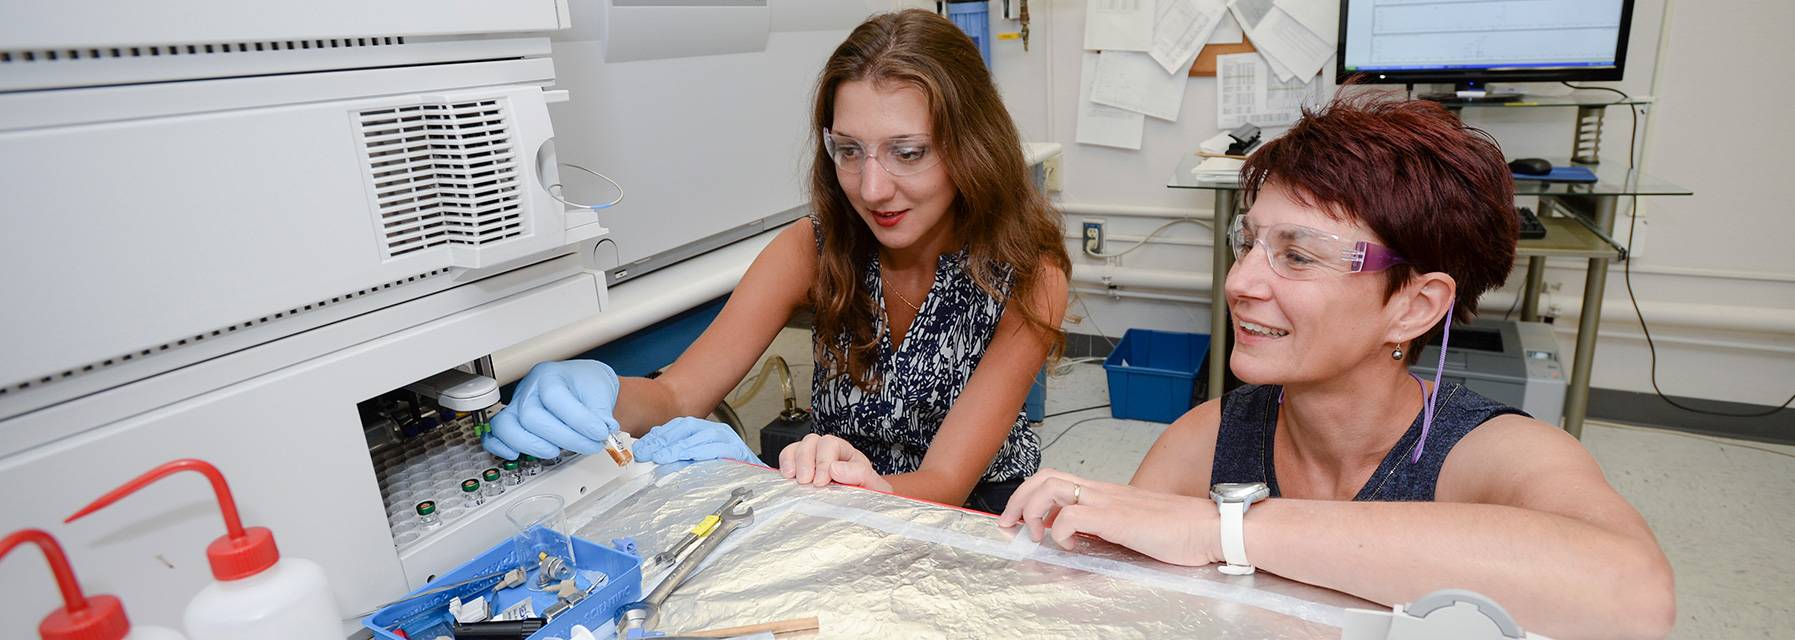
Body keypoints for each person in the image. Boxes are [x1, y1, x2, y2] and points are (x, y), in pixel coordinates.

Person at [996, 97, 1675, 638]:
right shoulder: (1206, 440)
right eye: (1248, 243)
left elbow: (1633, 597)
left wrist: (1221, 530)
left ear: (1414, 306)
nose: (1240, 282)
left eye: (1297, 254)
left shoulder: (1491, 455)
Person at [483, 10, 1069, 514]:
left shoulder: (1028, 274)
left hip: (970, 517)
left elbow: (944, 484)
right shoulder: (812, 248)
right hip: (833, 503)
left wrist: (856, 491)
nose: (871, 189)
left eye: (908, 153)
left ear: (972, 146)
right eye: (848, 151)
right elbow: (679, 396)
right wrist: (597, 392)